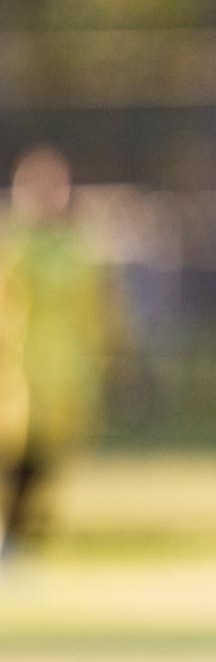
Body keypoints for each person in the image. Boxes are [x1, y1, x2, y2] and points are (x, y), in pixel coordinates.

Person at [0, 145, 110, 558]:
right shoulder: (15, 244)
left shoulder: (74, 247)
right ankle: (11, 539)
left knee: (43, 462)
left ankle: (19, 542)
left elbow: (93, 311)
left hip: (61, 373)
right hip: (17, 369)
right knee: (15, 459)